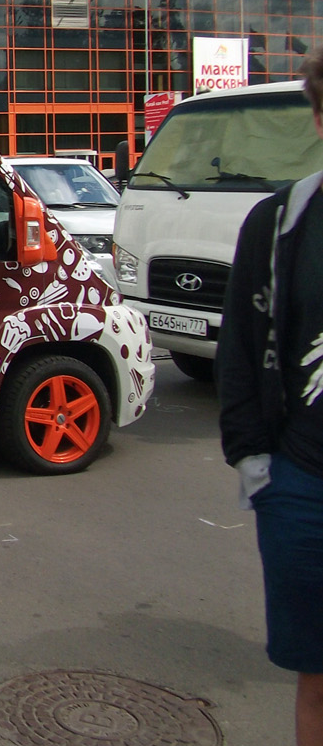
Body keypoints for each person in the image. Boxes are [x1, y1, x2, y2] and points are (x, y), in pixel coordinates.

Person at [217, 46, 323, 746]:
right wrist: (257, 465)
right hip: (304, 486)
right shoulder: (280, 221)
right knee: (316, 679)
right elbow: (239, 345)